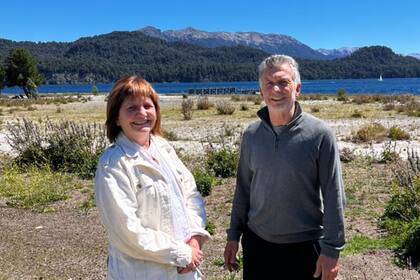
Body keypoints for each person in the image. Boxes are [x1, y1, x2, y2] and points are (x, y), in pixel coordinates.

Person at [224, 55, 346, 280]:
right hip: (258, 245)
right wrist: (234, 236)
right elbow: (243, 189)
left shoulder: (320, 134)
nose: (276, 89)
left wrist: (332, 250)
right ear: (261, 92)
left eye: (283, 82)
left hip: (306, 247)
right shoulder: (251, 135)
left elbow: (334, 195)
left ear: (297, 88)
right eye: (269, 83)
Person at [95, 76, 211, 280]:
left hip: (184, 270)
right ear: (116, 117)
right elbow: (127, 232)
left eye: (148, 106)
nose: (142, 113)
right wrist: (182, 254)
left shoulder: (163, 148)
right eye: (131, 108)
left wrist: (195, 239)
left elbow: (191, 195)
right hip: (143, 273)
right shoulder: (113, 164)